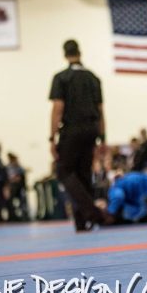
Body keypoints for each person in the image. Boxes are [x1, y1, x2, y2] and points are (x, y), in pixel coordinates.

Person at [49, 39, 112, 231]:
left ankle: (93, 213)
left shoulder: (61, 78)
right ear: (80, 53)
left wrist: (52, 137)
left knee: (64, 171)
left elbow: (58, 108)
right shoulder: (93, 78)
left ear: (65, 54)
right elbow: (100, 111)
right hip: (91, 129)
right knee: (83, 175)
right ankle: (82, 223)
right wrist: (103, 138)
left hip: (72, 129)